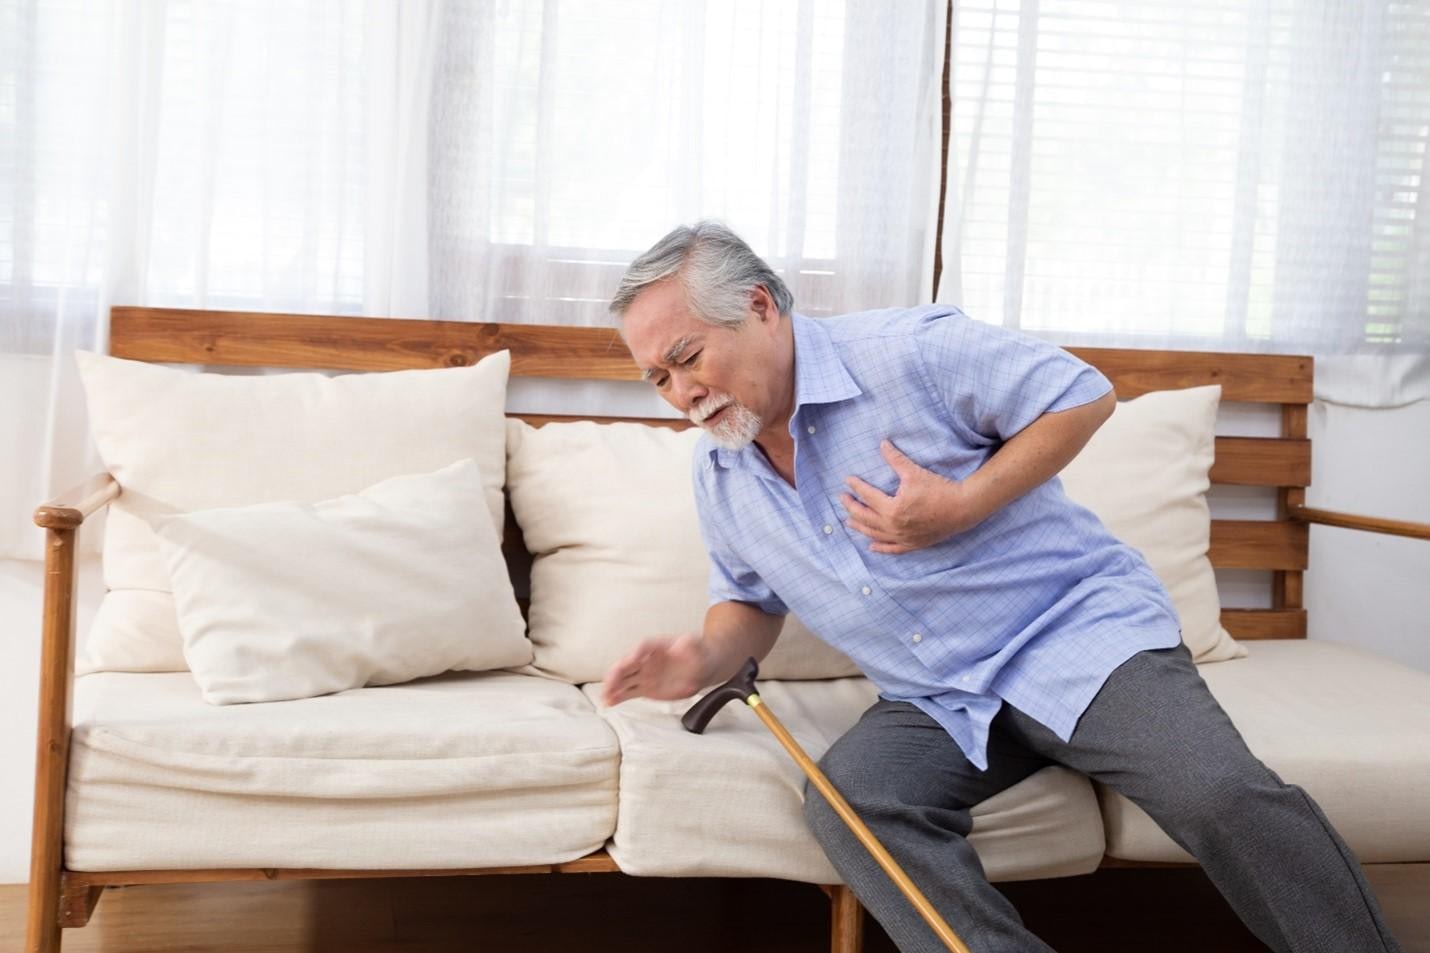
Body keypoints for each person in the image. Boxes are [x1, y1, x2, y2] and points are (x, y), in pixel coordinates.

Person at [599, 221, 1399, 953]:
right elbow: (749, 604)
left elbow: (1083, 392)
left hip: (1073, 638)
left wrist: (960, 505)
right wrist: (701, 655)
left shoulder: (908, 350)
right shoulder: (720, 470)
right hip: (935, 695)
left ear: (761, 306)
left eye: (688, 357)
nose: (681, 393)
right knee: (856, 804)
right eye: (656, 378)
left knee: (1218, 791)